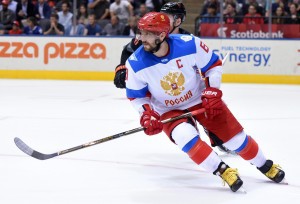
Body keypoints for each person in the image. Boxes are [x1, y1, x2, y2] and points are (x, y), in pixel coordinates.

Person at [125, 12, 285, 192]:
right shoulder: (135, 62)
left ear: (162, 35)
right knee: (184, 136)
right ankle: (223, 171)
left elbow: (213, 65)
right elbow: (136, 96)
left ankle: (265, 165)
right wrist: (146, 113)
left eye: (147, 33)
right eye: (141, 32)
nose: (141, 38)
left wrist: (212, 90)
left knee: (235, 141)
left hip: (200, 99)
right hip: (168, 109)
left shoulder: (189, 44)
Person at [114, 1, 235, 155]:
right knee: (183, 127)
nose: (162, 18)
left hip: (188, 89)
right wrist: (121, 69)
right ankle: (192, 140)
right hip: (163, 91)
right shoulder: (149, 35)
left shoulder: (187, 39)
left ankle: (218, 136)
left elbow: (202, 65)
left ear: (178, 21)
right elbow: (128, 50)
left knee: (211, 110)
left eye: (167, 16)